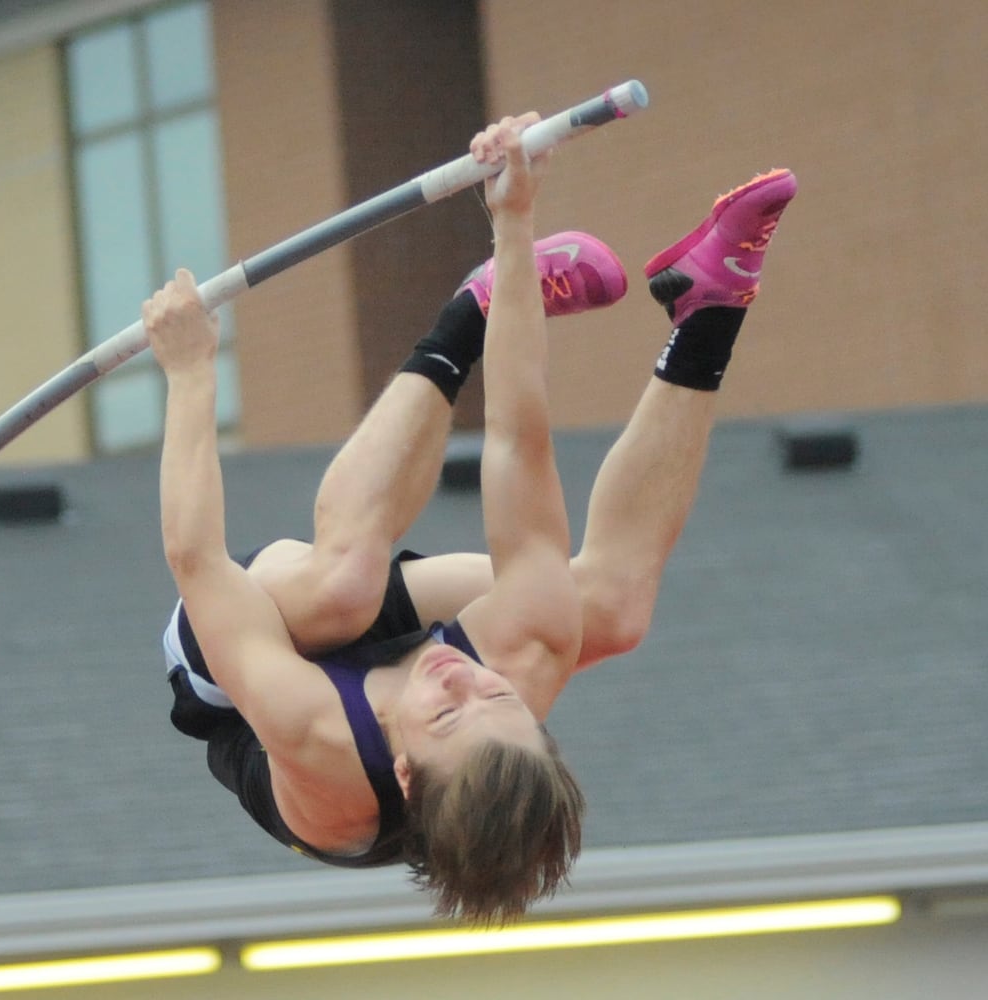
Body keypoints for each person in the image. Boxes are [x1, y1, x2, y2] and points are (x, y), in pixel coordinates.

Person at [145, 111, 797, 925]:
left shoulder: (318, 745)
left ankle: (459, 322)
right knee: (606, 610)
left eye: (450, 711)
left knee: (346, 584)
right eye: (498, 699)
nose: (463, 677)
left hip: (235, 679)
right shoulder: (517, 669)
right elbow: (519, 446)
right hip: (400, 693)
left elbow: (196, 556)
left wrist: (189, 368)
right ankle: (707, 310)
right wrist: (514, 224)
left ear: (407, 773)